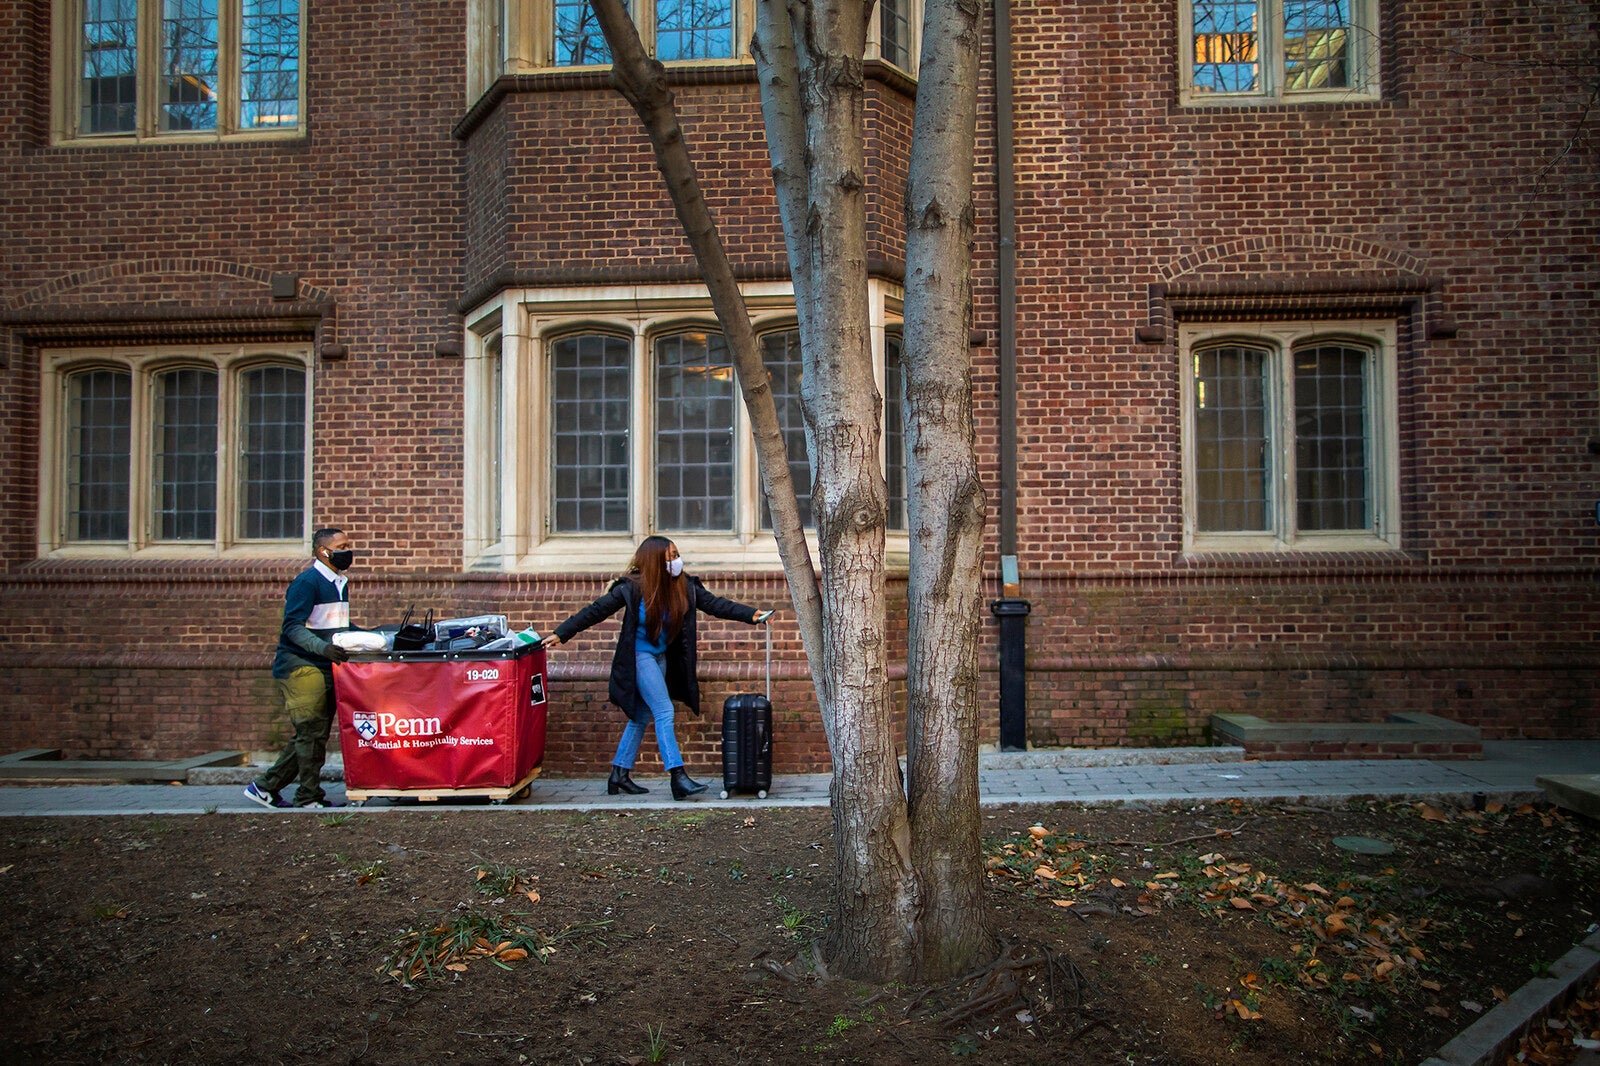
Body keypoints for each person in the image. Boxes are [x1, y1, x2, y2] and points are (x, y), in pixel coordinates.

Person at [542, 536, 773, 800]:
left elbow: (715, 604)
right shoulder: (631, 588)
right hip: (639, 658)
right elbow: (595, 611)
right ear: (654, 562)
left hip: (660, 658)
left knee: (641, 717)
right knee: (664, 711)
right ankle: (678, 777)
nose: (676, 561)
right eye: (670, 557)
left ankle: (618, 774)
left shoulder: (684, 586)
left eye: (677, 555)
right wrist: (562, 633)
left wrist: (751, 614)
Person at [244, 527, 356, 809]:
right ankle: (308, 797)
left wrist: (373, 637)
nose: (348, 551)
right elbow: (293, 627)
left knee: (313, 733)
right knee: (310, 733)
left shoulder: (339, 581)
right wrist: (323, 648)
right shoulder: (307, 583)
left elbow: (336, 626)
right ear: (323, 552)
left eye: (348, 545)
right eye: (342, 546)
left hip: (324, 664)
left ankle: (265, 787)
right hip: (300, 667)